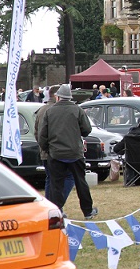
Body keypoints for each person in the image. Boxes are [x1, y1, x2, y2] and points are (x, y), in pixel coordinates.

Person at [37, 84, 97, 219]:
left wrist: (48, 149)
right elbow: (87, 130)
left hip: (56, 154)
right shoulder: (77, 110)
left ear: (58, 97)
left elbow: (42, 135)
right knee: (81, 182)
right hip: (75, 153)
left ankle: (56, 213)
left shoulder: (49, 111)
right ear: (70, 97)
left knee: (55, 185)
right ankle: (87, 211)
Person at [35, 85, 74, 203]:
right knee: (68, 177)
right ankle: (56, 205)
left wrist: (44, 147)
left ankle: (49, 206)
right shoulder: (58, 110)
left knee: (50, 179)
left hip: (45, 151)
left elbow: (37, 132)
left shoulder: (42, 110)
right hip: (57, 151)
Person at [113, 117, 140, 185]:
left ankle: (130, 181)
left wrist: (123, 151)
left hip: (131, 163)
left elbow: (116, 149)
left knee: (129, 163)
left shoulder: (128, 138)